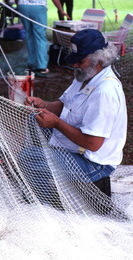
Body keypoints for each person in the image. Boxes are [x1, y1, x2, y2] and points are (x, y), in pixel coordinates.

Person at [24, 29, 127, 203]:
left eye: (80, 61)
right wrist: (43, 105)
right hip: (79, 149)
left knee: (29, 158)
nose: (75, 65)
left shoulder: (105, 92)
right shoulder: (85, 75)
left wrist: (56, 123)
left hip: (94, 164)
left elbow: (92, 144)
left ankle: (48, 205)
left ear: (99, 60)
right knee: (34, 120)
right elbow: (66, 105)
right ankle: (51, 176)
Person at [15, 0, 70, 77]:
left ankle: (31, 63)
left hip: (23, 6)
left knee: (29, 35)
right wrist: (61, 10)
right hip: (39, 6)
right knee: (40, 36)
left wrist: (19, 4)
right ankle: (42, 66)